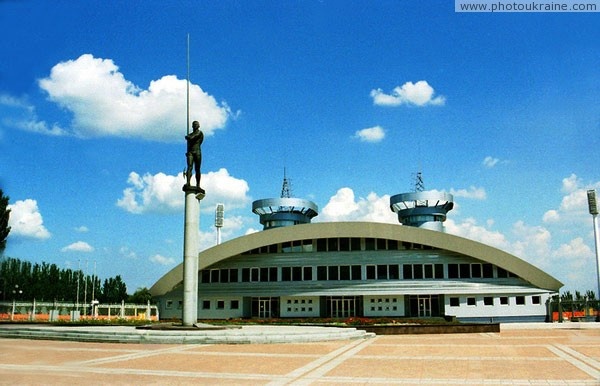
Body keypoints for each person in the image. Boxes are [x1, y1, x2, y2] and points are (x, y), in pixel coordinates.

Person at [185, 120, 204, 192]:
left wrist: (188, 137)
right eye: (194, 124)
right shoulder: (190, 134)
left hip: (197, 152)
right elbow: (189, 143)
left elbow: (193, 137)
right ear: (192, 126)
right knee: (189, 167)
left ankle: (198, 184)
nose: (196, 125)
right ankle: (188, 182)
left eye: (197, 124)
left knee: (197, 169)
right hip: (190, 152)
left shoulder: (199, 133)